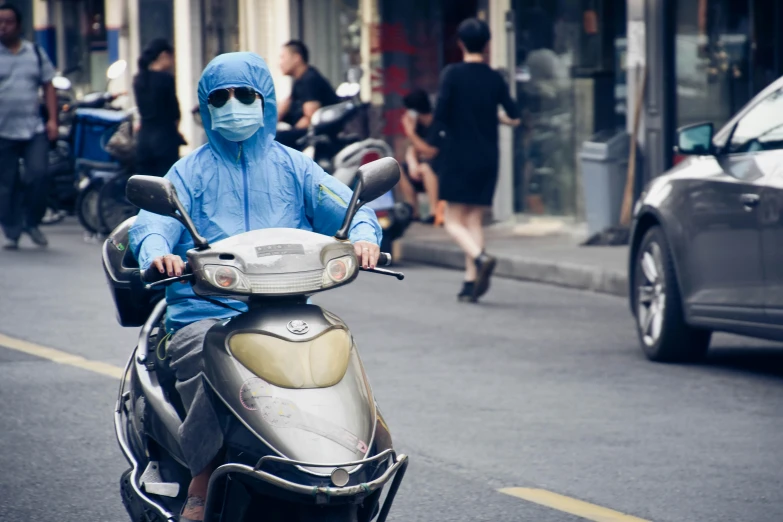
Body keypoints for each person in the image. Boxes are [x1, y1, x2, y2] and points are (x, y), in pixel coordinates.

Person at [129, 52, 382, 522]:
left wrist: (365, 239)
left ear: (264, 100)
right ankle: (202, 478)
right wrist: (158, 254)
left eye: (244, 95)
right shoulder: (188, 172)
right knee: (213, 358)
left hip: (284, 310)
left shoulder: (296, 167)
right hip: (203, 311)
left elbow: (351, 210)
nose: (233, 105)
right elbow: (152, 225)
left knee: (337, 349)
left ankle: (355, 454)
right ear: (206, 108)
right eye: (220, 98)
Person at [427, 18, 521, 303]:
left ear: (460, 43)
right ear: (487, 44)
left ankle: (480, 258)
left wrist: (430, 145)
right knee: (474, 218)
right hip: (488, 156)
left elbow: (441, 114)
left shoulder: (452, 74)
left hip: (458, 155)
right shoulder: (495, 78)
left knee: (453, 220)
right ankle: (470, 282)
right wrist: (496, 117)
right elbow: (514, 115)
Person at [0, 3, 58, 250]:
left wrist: (53, 120)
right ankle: (12, 229)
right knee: (6, 184)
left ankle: (32, 221)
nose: (3, 27)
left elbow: (48, 85)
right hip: (3, 131)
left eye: (8, 22)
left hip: (33, 128)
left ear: (19, 25)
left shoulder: (34, 52)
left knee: (39, 175)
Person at [133, 38, 186, 177]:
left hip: (143, 141)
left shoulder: (139, 79)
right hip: (164, 140)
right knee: (166, 184)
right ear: (163, 56)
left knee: (146, 186)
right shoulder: (165, 79)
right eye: (171, 57)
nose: (173, 62)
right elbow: (174, 112)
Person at [275, 40, 339, 149]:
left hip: (318, 137)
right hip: (307, 133)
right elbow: (284, 107)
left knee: (277, 139)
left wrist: (291, 133)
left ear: (296, 58)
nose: (280, 63)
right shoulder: (299, 80)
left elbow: (310, 118)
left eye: (283, 57)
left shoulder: (309, 79)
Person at [398, 90, 441, 224]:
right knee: (399, 169)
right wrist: (412, 163)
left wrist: (410, 132)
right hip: (424, 166)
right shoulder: (418, 125)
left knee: (425, 168)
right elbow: (413, 148)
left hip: (442, 167)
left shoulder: (437, 124)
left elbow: (430, 152)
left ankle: (434, 212)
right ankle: (413, 211)